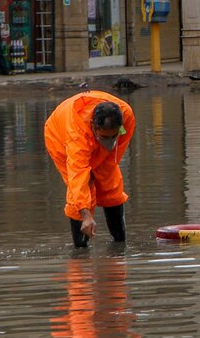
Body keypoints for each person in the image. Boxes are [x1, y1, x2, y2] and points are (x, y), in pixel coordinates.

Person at [44, 91, 136, 248]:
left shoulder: (126, 114)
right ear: (93, 125)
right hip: (59, 139)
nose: (110, 141)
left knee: (111, 184)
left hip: (96, 142)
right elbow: (77, 175)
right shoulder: (76, 135)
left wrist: (102, 163)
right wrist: (86, 214)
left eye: (113, 136)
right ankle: (80, 250)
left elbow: (116, 151)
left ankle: (120, 244)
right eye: (104, 137)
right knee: (82, 189)